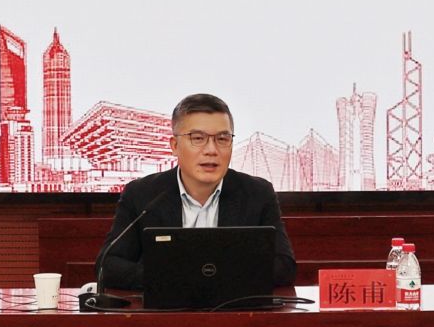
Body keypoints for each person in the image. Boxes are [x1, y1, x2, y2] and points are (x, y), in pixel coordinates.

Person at [95, 92, 297, 290]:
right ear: (175, 145)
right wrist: (179, 278)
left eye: (222, 139)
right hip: (167, 309)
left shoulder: (257, 194)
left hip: (235, 309)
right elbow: (108, 265)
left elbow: (284, 267)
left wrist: (209, 276)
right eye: (198, 138)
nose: (211, 150)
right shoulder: (142, 194)